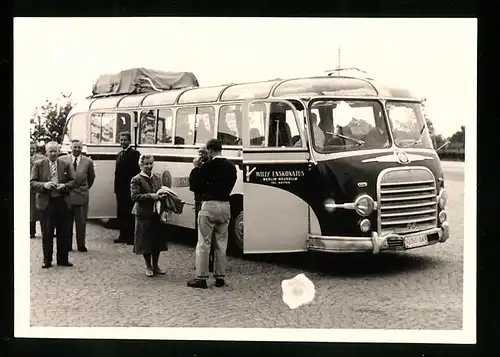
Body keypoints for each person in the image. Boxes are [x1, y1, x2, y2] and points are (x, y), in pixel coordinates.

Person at [187, 139, 237, 289]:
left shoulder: (207, 166)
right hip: (225, 205)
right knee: (221, 243)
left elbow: (195, 186)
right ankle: (220, 277)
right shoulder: (231, 167)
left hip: (209, 205)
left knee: (204, 242)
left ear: (210, 150)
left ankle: (201, 277)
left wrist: (196, 168)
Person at [30, 141, 76, 268]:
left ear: (59, 151)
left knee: (63, 232)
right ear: (46, 152)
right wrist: (44, 185)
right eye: (50, 151)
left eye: (55, 151)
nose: (53, 153)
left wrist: (65, 186)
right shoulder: (38, 164)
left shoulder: (65, 164)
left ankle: (63, 259)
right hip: (47, 203)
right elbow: (32, 182)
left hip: (62, 202)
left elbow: (73, 181)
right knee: (47, 233)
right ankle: (47, 260)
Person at [130, 154, 168, 277]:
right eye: (146, 164)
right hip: (143, 213)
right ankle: (148, 266)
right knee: (145, 240)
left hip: (156, 212)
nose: (149, 166)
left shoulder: (157, 178)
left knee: (156, 240)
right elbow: (134, 196)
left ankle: (156, 265)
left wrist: (162, 197)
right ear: (141, 165)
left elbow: (160, 190)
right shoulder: (136, 179)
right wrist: (150, 196)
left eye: (151, 163)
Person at [61, 139, 95, 252]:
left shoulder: (88, 161)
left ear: (82, 148)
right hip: (67, 195)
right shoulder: (63, 160)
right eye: (75, 147)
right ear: (70, 147)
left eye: (79, 147)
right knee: (67, 222)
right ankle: (68, 245)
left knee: (81, 222)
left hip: (82, 195)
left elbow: (91, 177)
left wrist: (84, 188)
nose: (77, 149)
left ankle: (81, 245)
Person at [189, 144, 215, 272]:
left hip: (202, 202)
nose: (200, 155)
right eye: (199, 152)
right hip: (202, 201)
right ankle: (208, 261)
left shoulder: (204, 167)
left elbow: (194, 185)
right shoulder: (211, 165)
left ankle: (204, 262)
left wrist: (196, 168)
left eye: (203, 152)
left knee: (202, 234)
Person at [114, 132, 140, 245]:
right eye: (121, 140)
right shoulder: (120, 154)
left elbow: (135, 172)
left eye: (125, 140)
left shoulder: (134, 154)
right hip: (120, 189)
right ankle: (122, 235)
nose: (123, 142)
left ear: (129, 141)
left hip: (129, 188)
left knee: (130, 213)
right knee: (121, 212)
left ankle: (131, 237)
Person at [30, 142, 46, 238]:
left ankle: (45, 231)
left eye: (33, 148)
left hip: (39, 187)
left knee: (41, 209)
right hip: (27, 189)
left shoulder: (42, 158)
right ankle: (31, 232)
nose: (31, 150)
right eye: (30, 148)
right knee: (30, 211)